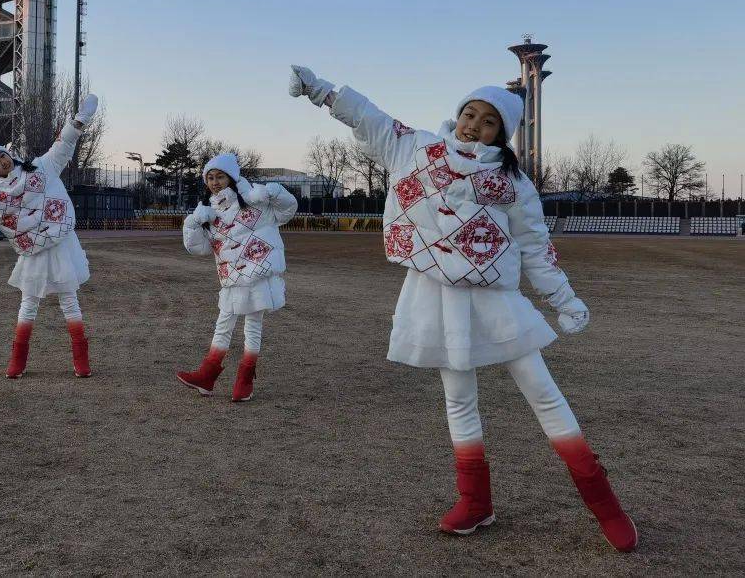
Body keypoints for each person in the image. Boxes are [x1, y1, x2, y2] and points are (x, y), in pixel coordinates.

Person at [288, 64, 637, 552]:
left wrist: (564, 299)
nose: (474, 124)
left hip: (495, 299)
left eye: (488, 120)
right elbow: (369, 118)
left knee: (544, 395)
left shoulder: (513, 182)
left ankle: (607, 508)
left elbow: (536, 246)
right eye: (469, 112)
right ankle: (475, 502)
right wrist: (321, 92)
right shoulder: (418, 148)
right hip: (434, 296)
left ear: (504, 133)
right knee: (458, 401)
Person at [0, 94, 99, 379]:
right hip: (33, 251)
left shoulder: (42, 167)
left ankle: (81, 359)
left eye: (3, 155)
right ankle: (18, 360)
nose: (3, 161)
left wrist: (78, 121)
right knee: (29, 303)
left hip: (60, 243)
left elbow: (63, 145)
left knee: (68, 298)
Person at [177, 153, 298, 402]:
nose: (214, 182)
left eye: (219, 176)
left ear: (231, 177)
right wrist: (192, 224)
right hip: (231, 277)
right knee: (223, 324)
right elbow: (199, 248)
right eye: (210, 178)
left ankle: (244, 380)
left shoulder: (255, 200)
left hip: (258, 274)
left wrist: (273, 191)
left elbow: (288, 210)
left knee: (252, 326)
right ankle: (207, 376)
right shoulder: (210, 211)